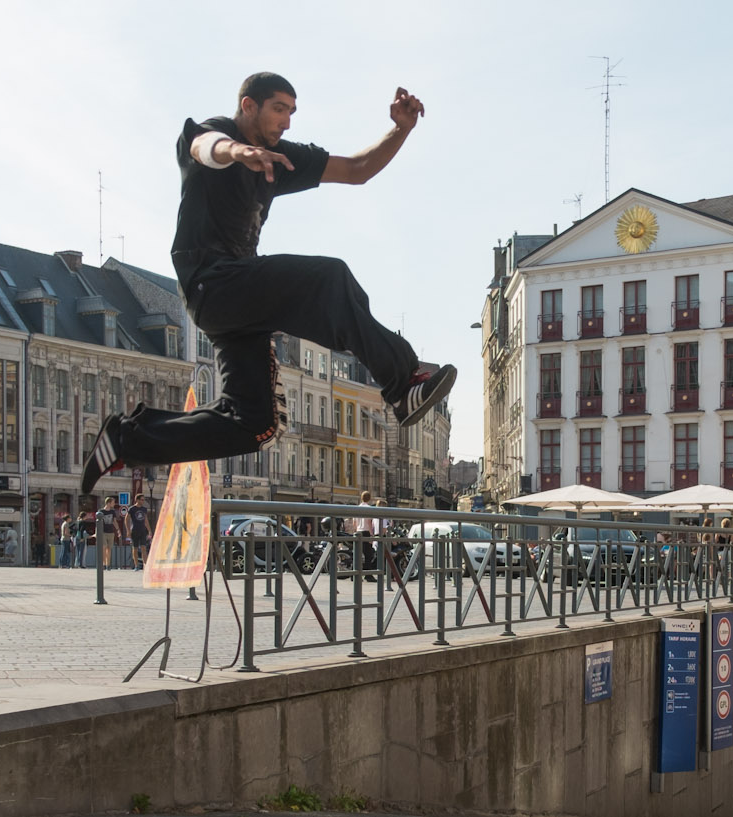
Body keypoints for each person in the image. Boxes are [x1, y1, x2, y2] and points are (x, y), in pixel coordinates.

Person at [79, 72, 458, 495]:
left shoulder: (281, 156)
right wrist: (238, 152)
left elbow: (356, 170)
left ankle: (128, 440)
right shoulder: (214, 132)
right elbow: (206, 150)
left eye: (292, 112)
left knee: (254, 424)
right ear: (248, 106)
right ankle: (402, 381)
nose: (288, 122)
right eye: (279, 109)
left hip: (241, 304)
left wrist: (400, 130)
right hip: (212, 283)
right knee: (328, 278)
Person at [128, 497, 153, 571]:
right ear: (137, 500)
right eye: (141, 500)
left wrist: (149, 530)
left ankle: (145, 565)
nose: (143, 501)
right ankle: (136, 565)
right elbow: (126, 519)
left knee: (143, 548)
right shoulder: (132, 509)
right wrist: (128, 530)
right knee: (135, 548)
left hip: (143, 531)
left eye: (143, 500)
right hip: (134, 530)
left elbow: (146, 520)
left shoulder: (144, 509)